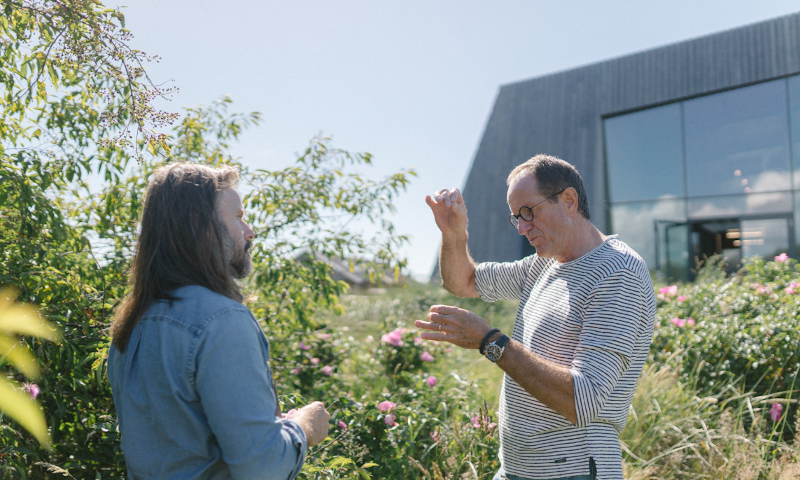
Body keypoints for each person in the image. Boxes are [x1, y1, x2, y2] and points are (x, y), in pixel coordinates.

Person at [416, 154, 655, 480]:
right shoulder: (543, 264)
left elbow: (581, 401)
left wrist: (490, 341)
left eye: (529, 212)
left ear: (568, 201)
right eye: (516, 217)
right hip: (515, 469)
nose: (522, 228)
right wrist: (454, 234)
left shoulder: (617, 273)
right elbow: (462, 281)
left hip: (573, 471)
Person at [108, 163, 329, 480]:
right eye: (238, 217)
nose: (250, 231)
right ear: (201, 226)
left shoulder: (133, 321)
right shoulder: (221, 321)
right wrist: (304, 427)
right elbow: (262, 468)